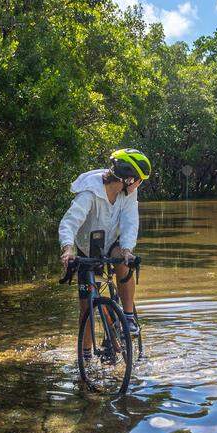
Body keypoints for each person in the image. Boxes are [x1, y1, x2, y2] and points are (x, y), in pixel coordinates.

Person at [58, 149, 152, 348]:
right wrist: (67, 248)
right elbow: (69, 222)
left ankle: (127, 317)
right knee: (86, 310)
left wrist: (127, 250)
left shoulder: (128, 195)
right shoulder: (90, 193)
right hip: (86, 248)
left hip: (113, 244)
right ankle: (86, 356)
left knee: (123, 259)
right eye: (139, 180)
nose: (139, 185)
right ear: (128, 179)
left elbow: (130, 222)